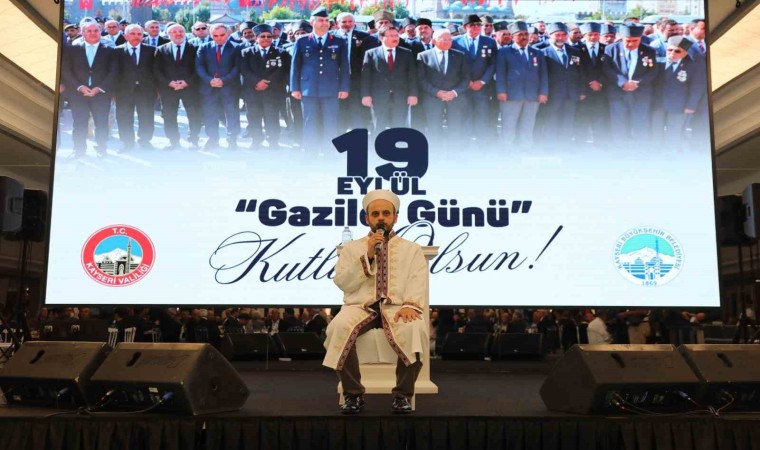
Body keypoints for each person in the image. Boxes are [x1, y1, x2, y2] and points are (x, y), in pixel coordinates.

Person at [325, 189, 429, 415]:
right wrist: (369, 255)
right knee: (337, 328)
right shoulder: (351, 248)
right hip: (360, 306)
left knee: (416, 330)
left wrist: (410, 305)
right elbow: (342, 282)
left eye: (386, 213)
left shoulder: (411, 249)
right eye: (375, 214)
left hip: (397, 307)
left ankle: (402, 395)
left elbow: (418, 279)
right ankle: (353, 394)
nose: (381, 218)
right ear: (367, 219)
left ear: (395, 217)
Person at [289, 6, 350, 154]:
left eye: (327, 20)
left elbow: (344, 66)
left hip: (331, 89)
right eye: (321, 20)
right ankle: (310, 152)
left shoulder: (339, 41)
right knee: (309, 121)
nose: (324, 23)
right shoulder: (302, 41)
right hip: (308, 88)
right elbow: (295, 66)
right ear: (312, 23)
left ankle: (329, 153)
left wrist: (344, 87)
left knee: (331, 122)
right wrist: (295, 88)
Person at [61, 21, 116, 158]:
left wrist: (100, 88)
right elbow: (66, 70)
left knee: (101, 123)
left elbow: (114, 72)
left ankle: (102, 149)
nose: (93, 33)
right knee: (79, 123)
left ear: (100, 32)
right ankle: (78, 150)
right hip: (78, 94)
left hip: (101, 94)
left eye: (96, 31)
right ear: (82, 33)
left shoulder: (110, 51)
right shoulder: (72, 50)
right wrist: (79, 87)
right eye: (89, 31)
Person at [495, 21, 548, 148]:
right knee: (509, 124)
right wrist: (501, 91)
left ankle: (525, 147)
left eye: (525, 34)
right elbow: (500, 73)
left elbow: (543, 74)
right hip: (511, 95)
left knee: (528, 124)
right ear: (512, 37)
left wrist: (543, 93)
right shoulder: (504, 52)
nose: (524, 37)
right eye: (520, 34)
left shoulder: (537, 53)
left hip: (532, 95)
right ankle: (507, 148)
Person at [239, 23, 291, 150]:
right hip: (253, 92)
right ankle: (256, 141)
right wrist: (257, 82)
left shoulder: (281, 53)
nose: (266, 39)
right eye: (262, 36)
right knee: (254, 118)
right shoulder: (246, 53)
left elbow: (282, 71)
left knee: (272, 118)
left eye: (269, 36)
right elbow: (244, 70)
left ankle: (273, 142)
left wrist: (266, 82)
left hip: (273, 92)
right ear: (256, 38)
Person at [416, 29, 469, 149]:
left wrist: (454, 92)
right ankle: (435, 154)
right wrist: (437, 92)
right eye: (444, 39)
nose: (448, 42)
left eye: (449, 39)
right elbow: (421, 79)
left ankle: (454, 154)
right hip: (432, 99)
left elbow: (466, 79)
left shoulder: (460, 55)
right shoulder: (423, 56)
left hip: (455, 99)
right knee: (434, 129)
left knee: (455, 129)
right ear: (434, 41)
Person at [360, 25, 418, 131]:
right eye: (391, 36)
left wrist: (413, 94)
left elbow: (412, 76)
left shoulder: (406, 53)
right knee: (379, 127)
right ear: (381, 37)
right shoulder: (371, 53)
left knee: (399, 128)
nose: (395, 38)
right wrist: (366, 95)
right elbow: (366, 77)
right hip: (379, 98)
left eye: (396, 35)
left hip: (401, 97)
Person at [154, 24, 201, 149]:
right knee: (169, 115)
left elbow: (198, 69)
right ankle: (173, 141)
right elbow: (156, 70)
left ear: (185, 33)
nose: (178, 34)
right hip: (168, 88)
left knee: (194, 114)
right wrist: (168, 83)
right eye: (174, 32)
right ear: (168, 34)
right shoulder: (161, 49)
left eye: (181, 31)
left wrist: (187, 82)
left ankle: (193, 140)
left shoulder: (195, 49)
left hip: (190, 88)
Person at [195, 23, 241, 149]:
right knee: (210, 114)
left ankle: (232, 140)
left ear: (228, 34)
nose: (219, 38)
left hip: (229, 87)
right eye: (215, 36)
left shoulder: (237, 47)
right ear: (211, 35)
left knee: (232, 114)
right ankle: (212, 139)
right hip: (209, 87)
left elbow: (237, 67)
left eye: (222, 35)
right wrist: (209, 80)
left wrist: (223, 80)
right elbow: (199, 66)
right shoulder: (204, 48)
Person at [114, 24, 157, 151]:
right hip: (123, 91)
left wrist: (157, 89)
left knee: (147, 116)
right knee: (124, 117)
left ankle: (145, 140)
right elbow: (113, 72)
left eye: (139, 34)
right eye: (132, 34)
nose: (136, 36)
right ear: (125, 36)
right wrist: (113, 92)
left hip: (146, 90)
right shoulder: (116, 51)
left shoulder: (152, 50)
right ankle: (127, 142)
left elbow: (156, 71)